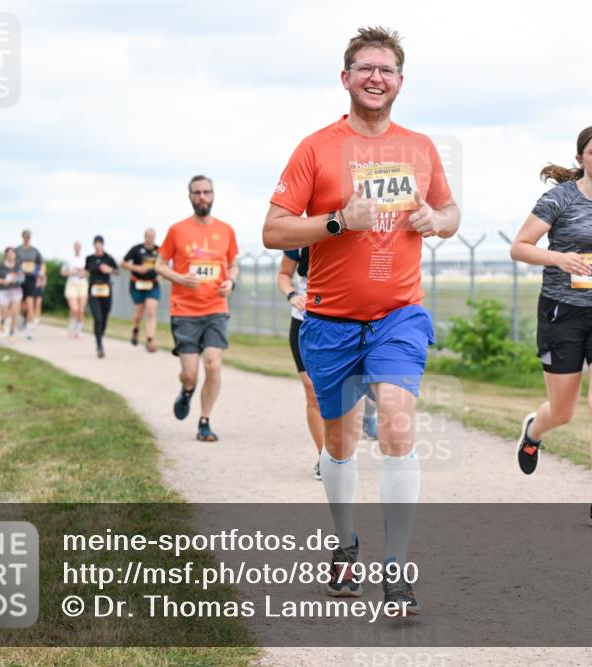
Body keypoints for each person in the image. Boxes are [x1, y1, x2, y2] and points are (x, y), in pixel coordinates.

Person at [262, 26, 459, 614]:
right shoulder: (316, 148)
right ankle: (345, 540)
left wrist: (436, 220)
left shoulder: (420, 147)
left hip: (399, 312)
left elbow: (450, 211)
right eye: (365, 68)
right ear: (345, 77)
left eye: (387, 70)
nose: (376, 78)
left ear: (401, 80)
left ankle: (396, 568)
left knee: (397, 425)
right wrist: (336, 221)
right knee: (342, 441)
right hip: (329, 319)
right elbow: (273, 230)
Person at [508, 125, 592, 531]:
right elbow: (519, 246)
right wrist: (559, 260)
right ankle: (534, 430)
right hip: (561, 313)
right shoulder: (559, 199)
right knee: (564, 411)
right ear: (581, 158)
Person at [154, 175, 239, 441]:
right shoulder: (177, 230)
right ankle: (187, 390)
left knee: (213, 365)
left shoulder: (226, 230)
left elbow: (233, 264)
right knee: (190, 373)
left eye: (207, 192)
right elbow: (159, 264)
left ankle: (205, 422)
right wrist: (179, 278)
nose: (202, 197)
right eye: (197, 193)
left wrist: (231, 281)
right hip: (185, 310)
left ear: (213, 195)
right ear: (190, 197)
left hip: (215, 306)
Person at [277, 247, 326, 480]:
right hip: (304, 322)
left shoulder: (350, 226)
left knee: (346, 391)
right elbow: (284, 274)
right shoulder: (299, 233)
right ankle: (325, 457)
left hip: (342, 321)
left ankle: (342, 451)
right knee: (312, 390)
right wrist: (291, 294)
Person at [122, 228, 161, 352]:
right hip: (137, 283)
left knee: (151, 310)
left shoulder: (158, 250)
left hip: (152, 284)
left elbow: (164, 264)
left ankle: (150, 339)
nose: (150, 239)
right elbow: (122, 263)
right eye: (148, 236)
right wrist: (136, 268)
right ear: (145, 237)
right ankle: (136, 328)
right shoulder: (136, 249)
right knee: (139, 312)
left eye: (152, 237)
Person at [85, 235, 118, 358]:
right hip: (94, 291)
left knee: (104, 318)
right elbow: (86, 271)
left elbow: (117, 271)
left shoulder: (108, 258)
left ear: (103, 245)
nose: (98, 246)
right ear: (94, 245)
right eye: (96, 244)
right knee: (97, 318)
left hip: (106, 290)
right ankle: (99, 345)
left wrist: (109, 270)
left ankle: (100, 335)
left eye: (100, 243)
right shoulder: (89, 258)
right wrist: (81, 273)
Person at [16, 229, 43, 339]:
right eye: (25, 236)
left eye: (29, 237)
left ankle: (29, 329)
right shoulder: (17, 250)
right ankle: (22, 316)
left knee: (30, 303)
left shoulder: (35, 251)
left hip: (31, 278)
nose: (27, 238)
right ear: (22, 237)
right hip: (20, 279)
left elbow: (41, 264)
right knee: (22, 304)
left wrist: (40, 276)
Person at [0, 247, 24, 342]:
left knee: (15, 312)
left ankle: (11, 333)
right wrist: (2, 281)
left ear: (15, 255)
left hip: (16, 290)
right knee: (4, 311)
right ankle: (2, 322)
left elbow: (22, 277)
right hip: (3, 291)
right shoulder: (0, 266)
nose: (11, 255)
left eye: (13, 253)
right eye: (9, 253)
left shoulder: (19, 266)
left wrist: (19, 278)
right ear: (6, 255)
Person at [62, 241, 88, 338]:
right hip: (72, 284)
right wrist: (71, 273)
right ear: (74, 247)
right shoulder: (69, 259)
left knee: (81, 310)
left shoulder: (85, 259)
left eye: (79, 246)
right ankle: (72, 323)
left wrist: (83, 273)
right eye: (76, 246)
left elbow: (88, 272)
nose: (77, 248)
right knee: (74, 308)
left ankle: (79, 329)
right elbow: (63, 272)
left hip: (82, 284)